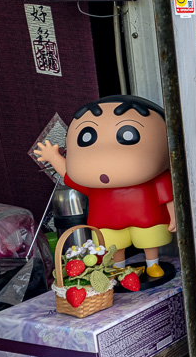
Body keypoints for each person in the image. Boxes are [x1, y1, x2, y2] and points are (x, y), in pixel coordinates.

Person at [34, 95, 175, 279]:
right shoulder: (93, 185)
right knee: (113, 246)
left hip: (147, 218)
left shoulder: (157, 179)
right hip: (106, 222)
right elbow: (69, 177)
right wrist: (54, 158)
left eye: (128, 135)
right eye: (86, 137)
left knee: (150, 241)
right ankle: (118, 268)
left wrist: (174, 216)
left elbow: (169, 198)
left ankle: (152, 264)